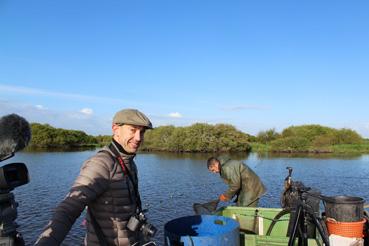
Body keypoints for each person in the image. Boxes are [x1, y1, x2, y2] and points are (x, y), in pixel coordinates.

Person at [35, 109, 154, 246]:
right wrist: (46, 242)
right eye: (133, 130)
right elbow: (69, 208)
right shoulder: (101, 164)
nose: (139, 138)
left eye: (142, 132)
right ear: (116, 129)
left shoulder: (129, 163)